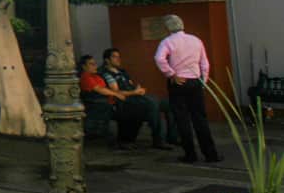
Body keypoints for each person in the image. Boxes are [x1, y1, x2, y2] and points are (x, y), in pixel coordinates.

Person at [154, 14, 221, 163]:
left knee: (182, 119)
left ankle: (190, 155)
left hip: (178, 83)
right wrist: (203, 81)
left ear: (167, 28)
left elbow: (159, 58)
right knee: (200, 119)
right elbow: (205, 63)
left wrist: (171, 74)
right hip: (195, 81)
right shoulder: (196, 40)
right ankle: (211, 154)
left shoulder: (167, 42)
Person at [102, 47, 173, 150]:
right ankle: (158, 140)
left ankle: (172, 137)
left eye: (119, 57)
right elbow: (116, 92)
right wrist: (134, 92)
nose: (118, 59)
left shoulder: (122, 71)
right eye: (114, 57)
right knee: (152, 104)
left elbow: (130, 85)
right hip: (124, 101)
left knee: (167, 104)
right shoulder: (107, 74)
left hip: (136, 97)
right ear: (107, 60)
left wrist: (137, 89)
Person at [78, 54, 139, 148]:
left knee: (134, 112)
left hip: (112, 103)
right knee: (128, 113)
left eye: (95, 64)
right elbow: (99, 89)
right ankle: (122, 142)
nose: (95, 66)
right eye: (91, 64)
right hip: (100, 106)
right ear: (84, 66)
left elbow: (106, 88)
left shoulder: (97, 76)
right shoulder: (86, 77)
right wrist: (116, 94)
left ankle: (126, 140)